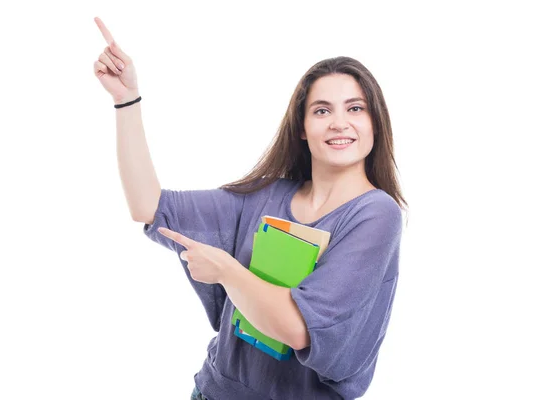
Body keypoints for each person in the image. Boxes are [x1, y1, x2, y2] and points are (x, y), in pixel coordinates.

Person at [94, 16, 407, 400]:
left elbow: (298, 328)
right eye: (322, 111)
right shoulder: (265, 197)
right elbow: (147, 205)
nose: (339, 123)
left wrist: (226, 271)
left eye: (355, 108)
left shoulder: (376, 214)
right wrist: (126, 100)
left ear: (376, 122)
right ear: (302, 127)